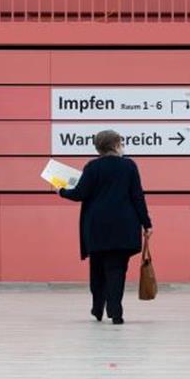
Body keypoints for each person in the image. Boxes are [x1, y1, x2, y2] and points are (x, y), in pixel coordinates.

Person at [56, 130, 153, 325]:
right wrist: (146, 223)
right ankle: (116, 313)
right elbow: (137, 197)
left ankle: (97, 308)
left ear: (98, 147)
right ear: (116, 145)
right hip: (124, 227)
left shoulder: (92, 167)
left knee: (97, 269)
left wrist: (61, 191)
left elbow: (80, 194)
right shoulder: (129, 166)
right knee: (117, 269)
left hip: (97, 227)